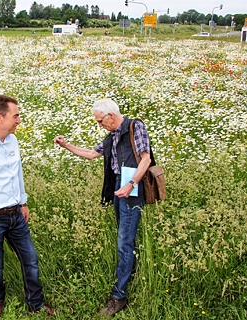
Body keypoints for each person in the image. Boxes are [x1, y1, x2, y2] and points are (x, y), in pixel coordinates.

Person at [54, 98, 152, 317]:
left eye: (100, 121)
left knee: (124, 241)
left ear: (110, 116)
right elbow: (90, 154)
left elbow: (146, 159)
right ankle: (130, 277)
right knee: (125, 238)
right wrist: (66, 145)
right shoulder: (112, 137)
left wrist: (131, 184)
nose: (99, 125)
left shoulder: (135, 126)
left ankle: (119, 295)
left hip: (131, 188)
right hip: (120, 186)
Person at [0, 95, 54, 317]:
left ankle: (35, 302)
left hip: (16, 214)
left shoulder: (12, 141)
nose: (19, 120)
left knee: (30, 260)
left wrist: (23, 202)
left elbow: (17, 174)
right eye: (15, 116)